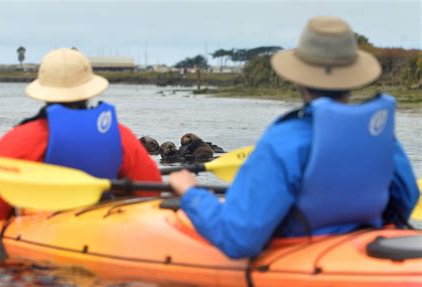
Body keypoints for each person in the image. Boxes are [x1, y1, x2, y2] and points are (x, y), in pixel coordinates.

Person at [169, 16, 420, 259]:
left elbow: (239, 238)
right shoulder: (379, 135)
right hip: (364, 249)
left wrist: (191, 193)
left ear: (299, 79)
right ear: (353, 79)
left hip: (299, 254)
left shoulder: (283, 140)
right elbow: (406, 198)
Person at [0, 48, 162, 230]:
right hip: (107, 229)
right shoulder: (119, 135)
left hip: (44, 242)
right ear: (88, 90)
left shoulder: (23, 139)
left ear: (44, 91)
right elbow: (151, 193)